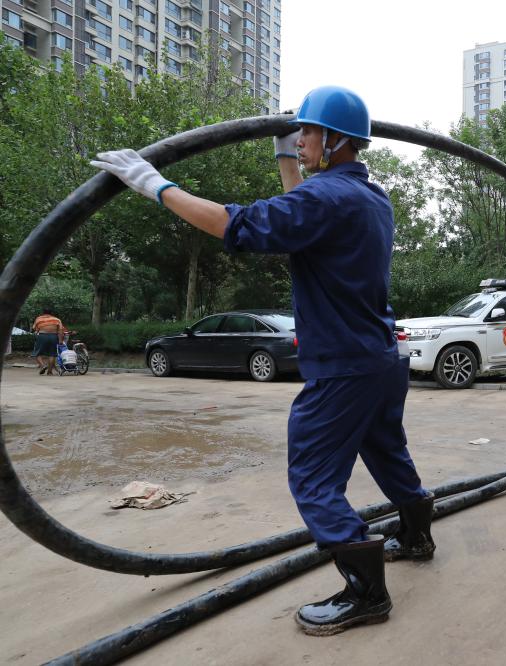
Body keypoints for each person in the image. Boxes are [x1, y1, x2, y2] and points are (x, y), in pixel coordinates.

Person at [91, 85, 437, 632]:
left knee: (313, 479)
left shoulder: (326, 198)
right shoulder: (370, 197)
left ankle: (366, 593)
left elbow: (240, 225)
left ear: (337, 139)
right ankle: (416, 536)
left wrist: (156, 185)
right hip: (379, 357)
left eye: (309, 133)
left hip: (342, 365)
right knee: (386, 450)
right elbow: (301, 221)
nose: (302, 140)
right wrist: (284, 158)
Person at [31, 309, 65, 375]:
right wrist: (60, 340)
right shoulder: (57, 319)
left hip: (42, 336)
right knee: (52, 354)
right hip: (53, 336)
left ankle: (42, 365)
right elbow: (60, 330)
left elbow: (35, 329)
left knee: (37, 353)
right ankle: (49, 372)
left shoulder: (38, 319)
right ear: (51, 313)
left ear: (43, 313)